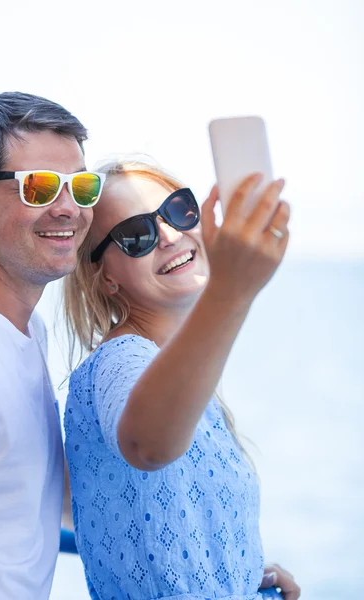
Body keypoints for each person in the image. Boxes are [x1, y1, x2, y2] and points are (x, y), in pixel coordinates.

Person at [63, 158, 301, 600]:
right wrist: (232, 290)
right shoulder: (122, 357)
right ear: (106, 278)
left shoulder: (172, 370)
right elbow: (147, 445)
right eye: (137, 236)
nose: (171, 236)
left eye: (178, 210)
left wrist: (237, 570)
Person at [0, 91, 105, 599]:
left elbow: (26, 495)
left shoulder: (26, 329)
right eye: (40, 187)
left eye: (81, 186)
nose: (69, 208)